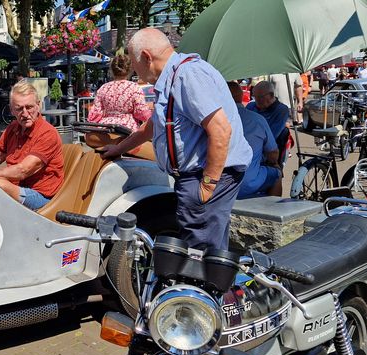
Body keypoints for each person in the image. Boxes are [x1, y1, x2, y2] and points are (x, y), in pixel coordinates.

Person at [99, 28, 251, 251]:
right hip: (198, 176)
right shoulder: (172, 77)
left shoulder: (187, 76)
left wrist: (206, 186)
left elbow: (220, 131)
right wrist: (119, 148)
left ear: (147, 57)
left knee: (200, 251)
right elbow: (149, 128)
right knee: (205, 245)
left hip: (203, 176)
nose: (133, 70)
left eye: (133, 62)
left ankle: (205, 286)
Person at [0, 81, 64, 211]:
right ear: (12, 110)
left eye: (29, 107)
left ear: (38, 105)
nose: (24, 113)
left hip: (41, 195)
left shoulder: (47, 133)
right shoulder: (13, 127)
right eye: (19, 108)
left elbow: (23, 170)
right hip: (17, 186)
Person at [228, 82, 281, 199]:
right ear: (241, 96)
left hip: (217, 182)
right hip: (246, 182)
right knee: (277, 173)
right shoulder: (257, 119)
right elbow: (273, 154)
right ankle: (272, 214)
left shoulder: (212, 120)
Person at [87, 54, 151, 133]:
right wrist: (151, 117)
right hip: (126, 129)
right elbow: (141, 112)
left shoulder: (103, 88)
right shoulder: (134, 87)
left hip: (105, 129)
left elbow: (95, 112)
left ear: (112, 70)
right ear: (130, 70)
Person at [247, 81, 291, 164]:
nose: (256, 100)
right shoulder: (251, 106)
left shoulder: (281, 110)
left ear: (271, 95)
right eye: (254, 97)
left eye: (260, 97)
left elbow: (271, 135)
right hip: (248, 148)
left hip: (267, 152)